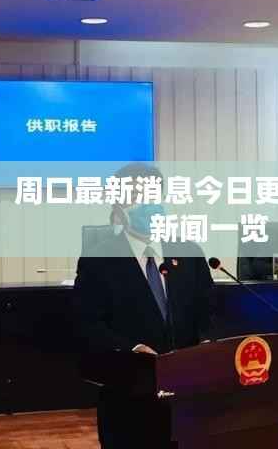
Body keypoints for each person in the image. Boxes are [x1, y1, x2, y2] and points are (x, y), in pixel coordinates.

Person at [74, 163, 214, 449]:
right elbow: (87, 324)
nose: (148, 204)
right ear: (119, 206)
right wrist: (133, 349)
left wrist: (207, 342)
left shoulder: (189, 252)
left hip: (189, 394)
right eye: (137, 196)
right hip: (129, 397)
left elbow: (211, 310)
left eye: (153, 195)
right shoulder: (98, 259)